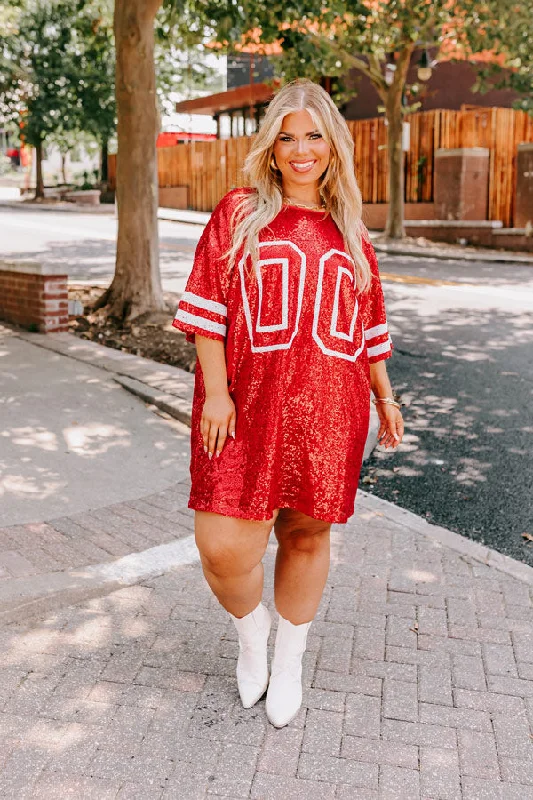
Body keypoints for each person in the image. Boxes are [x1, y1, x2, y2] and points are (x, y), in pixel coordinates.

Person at [172, 79, 404, 728]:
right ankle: (252, 636)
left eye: (313, 136)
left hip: (331, 411)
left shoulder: (352, 233)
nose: (301, 149)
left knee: (305, 534)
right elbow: (206, 312)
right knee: (221, 546)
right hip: (242, 408)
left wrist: (384, 396)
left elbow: (369, 327)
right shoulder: (239, 212)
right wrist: (216, 392)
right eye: (287, 136)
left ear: (332, 145)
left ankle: (290, 659)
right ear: (270, 149)